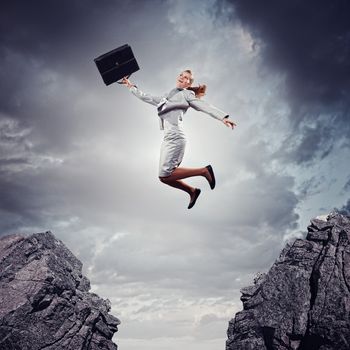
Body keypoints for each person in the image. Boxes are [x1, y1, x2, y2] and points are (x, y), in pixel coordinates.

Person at [121, 70, 236, 209]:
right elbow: (147, 97)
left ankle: (204, 171)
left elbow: (203, 106)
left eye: (186, 77)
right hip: (167, 138)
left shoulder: (187, 94)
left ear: (189, 83)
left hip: (176, 137)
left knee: (165, 174)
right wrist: (130, 86)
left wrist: (222, 117)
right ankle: (192, 191)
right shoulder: (167, 96)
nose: (182, 77)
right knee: (164, 177)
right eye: (181, 75)